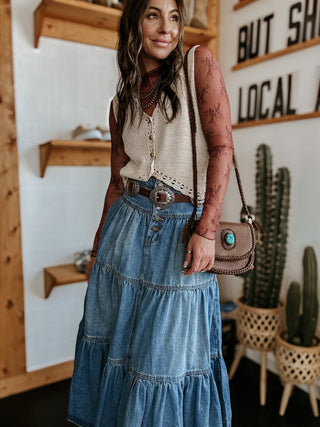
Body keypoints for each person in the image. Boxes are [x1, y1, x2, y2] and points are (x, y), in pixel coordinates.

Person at [68, 0, 233, 425]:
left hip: (181, 230)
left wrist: (207, 229)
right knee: (115, 343)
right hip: (125, 225)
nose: (167, 28)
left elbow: (222, 148)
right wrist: (98, 247)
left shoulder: (199, 63)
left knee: (164, 359)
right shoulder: (120, 102)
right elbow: (115, 183)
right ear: (134, 23)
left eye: (174, 16)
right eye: (153, 15)